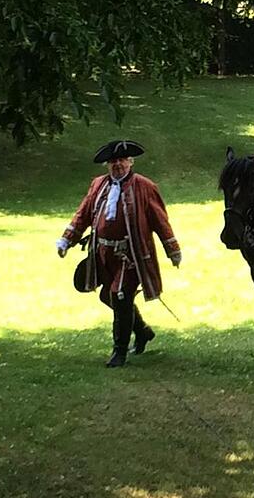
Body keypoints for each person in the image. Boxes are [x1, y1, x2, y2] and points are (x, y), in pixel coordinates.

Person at [56, 140, 181, 368]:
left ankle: (119, 351)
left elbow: (160, 221)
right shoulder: (98, 185)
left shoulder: (145, 186)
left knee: (121, 295)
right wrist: (67, 239)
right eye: (113, 162)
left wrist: (172, 249)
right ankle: (142, 331)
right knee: (108, 296)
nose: (118, 165)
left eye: (122, 161)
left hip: (130, 255)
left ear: (130, 162)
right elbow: (83, 214)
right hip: (103, 253)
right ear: (107, 165)